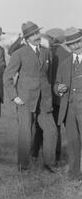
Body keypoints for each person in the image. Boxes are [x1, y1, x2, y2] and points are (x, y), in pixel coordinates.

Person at [3, 21, 58, 172]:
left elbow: (50, 76)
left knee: (51, 130)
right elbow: (7, 77)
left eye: (37, 33)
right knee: (25, 133)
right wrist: (14, 97)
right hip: (25, 100)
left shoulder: (47, 52)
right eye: (32, 35)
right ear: (26, 39)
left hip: (44, 100)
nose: (36, 37)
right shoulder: (19, 53)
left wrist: (51, 93)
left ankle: (49, 164)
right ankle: (23, 165)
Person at [31, 29, 70, 163]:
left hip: (47, 96)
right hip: (61, 97)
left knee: (43, 127)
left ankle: (35, 153)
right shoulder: (67, 54)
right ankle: (55, 156)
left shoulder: (46, 52)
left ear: (52, 39)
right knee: (55, 127)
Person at [54, 27, 82, 184]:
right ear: (68, 46)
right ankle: (75, 175)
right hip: (69, 109)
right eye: (72, 44)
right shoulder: (64, 63)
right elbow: (57, 83)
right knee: (72, 142)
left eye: (78, 42)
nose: (76, 46)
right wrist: (58, 88)